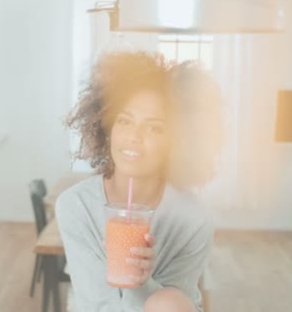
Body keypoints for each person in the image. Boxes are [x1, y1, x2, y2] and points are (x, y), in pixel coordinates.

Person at [56, 51, 223, 312]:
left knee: (167, 301)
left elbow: (173, 306)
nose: (134, 137)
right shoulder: (76, 206)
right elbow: (96, 305)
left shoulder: (193, 219)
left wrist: (141, 281)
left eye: (153, 127)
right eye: (124, 121)